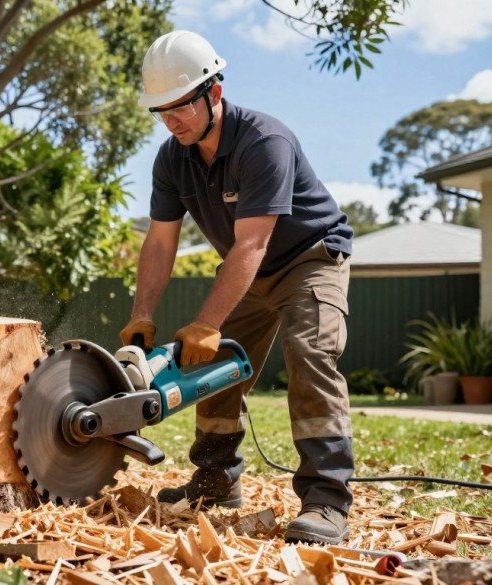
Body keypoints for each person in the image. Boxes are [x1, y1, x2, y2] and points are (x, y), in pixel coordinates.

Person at [119, 30, 355, 545]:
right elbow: (159, 244)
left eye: (181, 106)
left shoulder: (264, 142)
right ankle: (216, 479)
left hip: (309, 259)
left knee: (309, 352)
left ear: (214, 94)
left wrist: (207, 322)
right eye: (161, 110)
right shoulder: (172, 158)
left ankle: (326, 499)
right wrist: (142, 316)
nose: (172, 120)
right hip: (250, 268)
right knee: (216, 364)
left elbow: (252, 243)